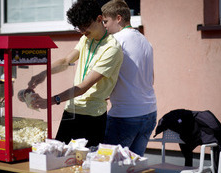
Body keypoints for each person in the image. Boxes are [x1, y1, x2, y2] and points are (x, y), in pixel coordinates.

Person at [28, 0, 123, 147]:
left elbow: (84, 86)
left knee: (84, 165)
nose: (84, 33)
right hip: (72, 110)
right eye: (80, 29)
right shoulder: (85, 39)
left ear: (99, 19)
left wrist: (51, 101)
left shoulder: (112, 48)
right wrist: (43, 73)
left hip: (92, 116)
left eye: (86, 28)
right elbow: (66, 60)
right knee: (58, 156)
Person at [101, 0, 157, 156]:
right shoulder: (146, 41)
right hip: (149, 112)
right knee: (133, 165)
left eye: (106, 21)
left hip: (125, 115)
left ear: (118, 18)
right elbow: (151, 78)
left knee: (110, 165)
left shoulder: (116, 41)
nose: (104, 26)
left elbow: (103, 75)